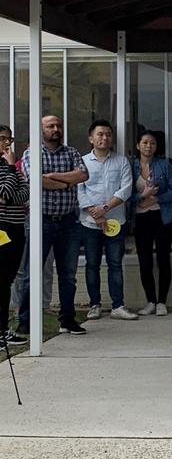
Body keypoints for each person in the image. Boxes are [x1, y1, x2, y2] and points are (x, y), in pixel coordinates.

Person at [18, 115, 89, 335]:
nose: (55, 129)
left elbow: (83, 175)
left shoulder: (72, 152)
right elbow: (36, 180)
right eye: (50, 126)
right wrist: (66, 181)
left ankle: (67, 319)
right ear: (41, 130)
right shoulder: (32, 153)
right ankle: (26, 321)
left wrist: (55, 177)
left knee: (68, 274)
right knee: (32, 273)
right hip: (41, 221)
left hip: (68, 221)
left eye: (58, 126)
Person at [79, 120, 138, 321]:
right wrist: (94, 214)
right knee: (92, 264)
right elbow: (78, 190)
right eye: (100, 134)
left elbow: (126, 189)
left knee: (115, 264)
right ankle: (95, 304)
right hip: (90, 223)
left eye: (108, 135)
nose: (105, 138)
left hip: (115, 222)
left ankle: (118, 306)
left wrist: (104, 209)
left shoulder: (121, 161)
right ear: (91, 138)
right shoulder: (82, 161)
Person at [131, 130, 172, 316]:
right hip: (140, 219)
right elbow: (124, 194)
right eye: (145, 142)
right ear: (138, 145)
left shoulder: (165, 165)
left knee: (163, 259)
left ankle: (162, 302)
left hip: (161, 217)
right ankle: (150, 300)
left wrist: (157, 199)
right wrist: (142, 196)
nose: (148, 146)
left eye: (152, 143)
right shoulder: (131, 166)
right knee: (145, 260)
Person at [0, 125, 29, 346]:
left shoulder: (10, 167)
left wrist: (9, 197)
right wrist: (11, 168)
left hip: (17, 227)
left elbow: (26, 191)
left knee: (7, 281)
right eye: (2, 139)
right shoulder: (9, 166)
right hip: (2, 228)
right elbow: (4, 194)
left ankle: (3, 329)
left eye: (9, 139)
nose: (7, 143)